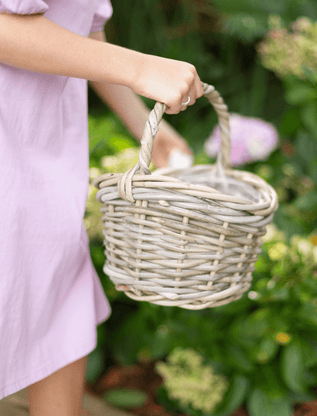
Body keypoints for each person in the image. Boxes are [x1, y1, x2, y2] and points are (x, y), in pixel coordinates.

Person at [0, 0, 203, 415]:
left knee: (59, 312)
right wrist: (140, 67)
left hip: (43, 156)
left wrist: (140, 120)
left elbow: (78, 22)